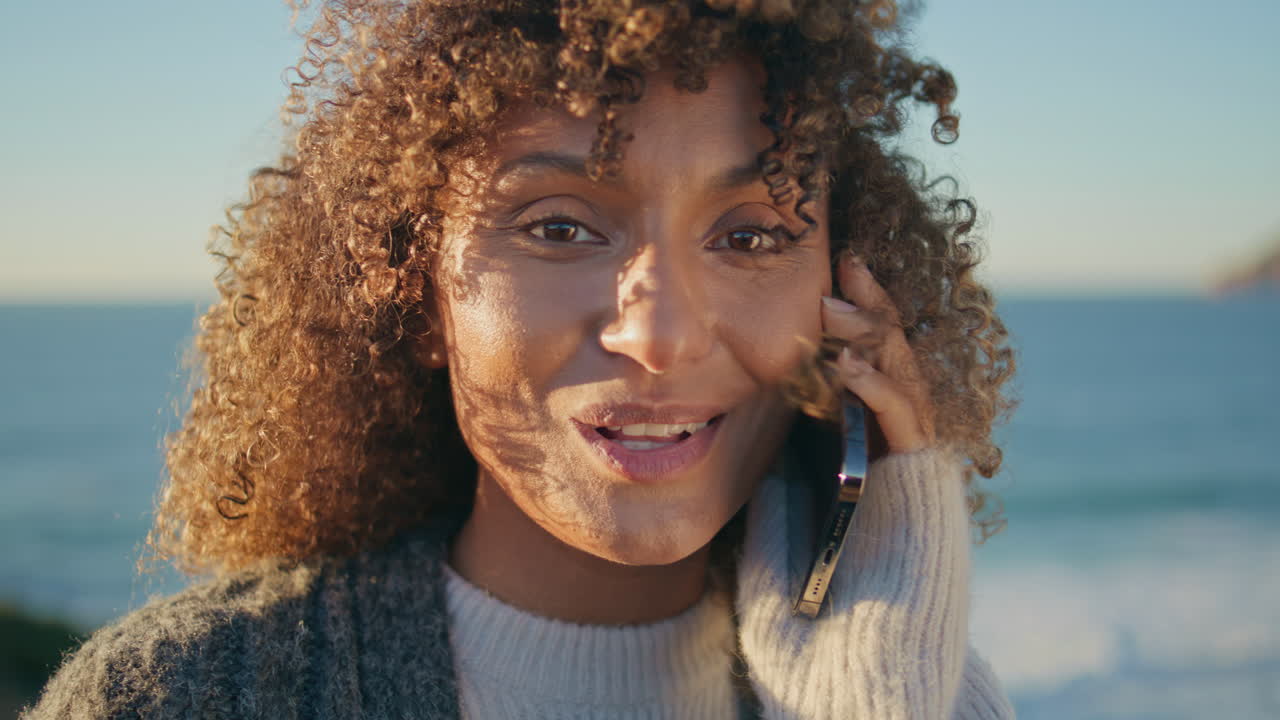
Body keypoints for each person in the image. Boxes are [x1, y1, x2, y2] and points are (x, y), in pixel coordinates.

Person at [25, 0, 1016, 717]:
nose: (660, 333)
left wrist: (891, 662)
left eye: (751, 236)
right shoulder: (178, 698)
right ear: (416, 290)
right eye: (558, 228)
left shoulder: (906, 690)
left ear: (843, 300)